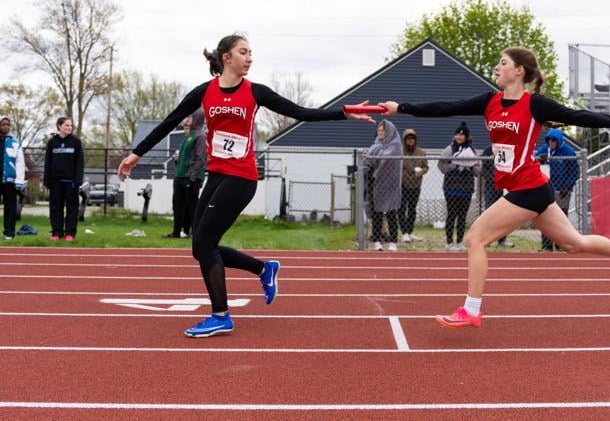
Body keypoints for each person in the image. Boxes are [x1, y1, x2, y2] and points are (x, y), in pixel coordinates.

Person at [379, 46, 610, 329]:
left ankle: (471, 309)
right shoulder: (489, 101)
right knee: (575, 243)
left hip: (529, 188)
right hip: (530, 188)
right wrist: (401, 108)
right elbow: (446, 108)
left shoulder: (535, 104)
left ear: (519, 71)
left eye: (503, 63)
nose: (497, 68)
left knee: (475, 239)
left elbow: (579, 116)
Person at [117, 34, 374, 337]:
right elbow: (169, 122)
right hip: (216, 175)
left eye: (251, 53)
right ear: (227, 57)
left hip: (241, 177)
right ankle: (264, 269)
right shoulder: (204, 92)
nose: (250, 58)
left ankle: (221, 315)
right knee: (200, 247)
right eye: (244, 52)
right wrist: (136, 154)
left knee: (205, 242)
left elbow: (301, 112)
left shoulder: (256, 92)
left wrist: (343, 112)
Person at [162, 109, 206, 239]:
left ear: (197, 118)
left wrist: (192, 177)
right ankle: (176, 232)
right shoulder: (189, 135)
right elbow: (186, 157)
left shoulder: (200, 136)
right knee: (177, 205)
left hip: (190, 178)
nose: (187, 119)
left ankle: (194, 232)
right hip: (180, 176)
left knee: (192, 206)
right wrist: (178, 163)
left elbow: (201, 158)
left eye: (190, 117)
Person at [438, 122, 481, 252]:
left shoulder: (472, 151)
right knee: (452, 214)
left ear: (467, 137)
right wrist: (454, 166)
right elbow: (441, 165)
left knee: (462, 216)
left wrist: (471, 167)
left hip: (466, 189)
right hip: (451, 187)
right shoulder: (450, 149)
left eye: (462, 135)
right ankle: (449, 242)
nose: (459, 137)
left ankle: (460, 241)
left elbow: (478, 169)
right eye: (457, 134)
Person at [534, 128, 579, 251]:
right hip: (545, 189)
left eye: (553, 140)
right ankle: (547, 245)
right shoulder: (543, 150)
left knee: (561, 217)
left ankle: (560, 244)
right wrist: (539, 160)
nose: (551, 142)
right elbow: (532, 163)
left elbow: (574, 172)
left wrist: (567, 186)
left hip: (562, 191)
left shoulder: (568, 152)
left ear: (558, 140)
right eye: (549, 140)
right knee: (544, 216)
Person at [363, 120, 402, 251]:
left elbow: (390, 160)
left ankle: (393, 241)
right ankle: (377, 241)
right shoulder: (375, 146)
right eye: (379, 130)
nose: (380, 133)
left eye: (383, 131)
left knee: (391, 213)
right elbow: (368, 162)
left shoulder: (396, 145)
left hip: (391, 184)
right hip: (376, 183)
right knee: (377, 213)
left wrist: (379, 156)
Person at [43, 117, 84, 241]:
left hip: (71, 182)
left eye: (70, 125)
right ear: (59, 126)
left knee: (72, 208)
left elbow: (79, 163)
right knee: (56, 208)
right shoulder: (52, 142)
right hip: (56, 181)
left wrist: (77, 180)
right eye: (66, 125)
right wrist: (47, 180)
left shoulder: (76, 142)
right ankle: (57, 233)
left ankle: (70, 233)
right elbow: (48, 162)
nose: (69, 127)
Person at [481, 145, 513, 248]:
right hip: (490, 187)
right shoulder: (487, 150)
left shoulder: (505, 150)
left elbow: (508, 167)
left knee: (502, 214)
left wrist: (503, 180)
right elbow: (483, 169)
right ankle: (486, 239)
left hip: (502, 187)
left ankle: (502, 240)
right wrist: (492, 179)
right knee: (489, 213)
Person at [399, 128, 428, 243]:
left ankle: (409, 232)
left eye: (412, 139)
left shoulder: (421, 152)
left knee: (412, 209)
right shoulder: (400, 152)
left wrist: (422, 171)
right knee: (401, 209)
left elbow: (426, 167)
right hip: (402, 185)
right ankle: (404, 232)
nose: (410, 141)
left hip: (416, 185)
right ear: (405, 140)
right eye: (408, 139)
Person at [0, 117, 25, 240]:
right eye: (3, 124)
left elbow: (20, 163)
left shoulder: (15, 143)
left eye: (8, 124)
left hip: (9, 181)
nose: (6, 126)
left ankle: (9, 233)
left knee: (10, 208)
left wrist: (19, 180)